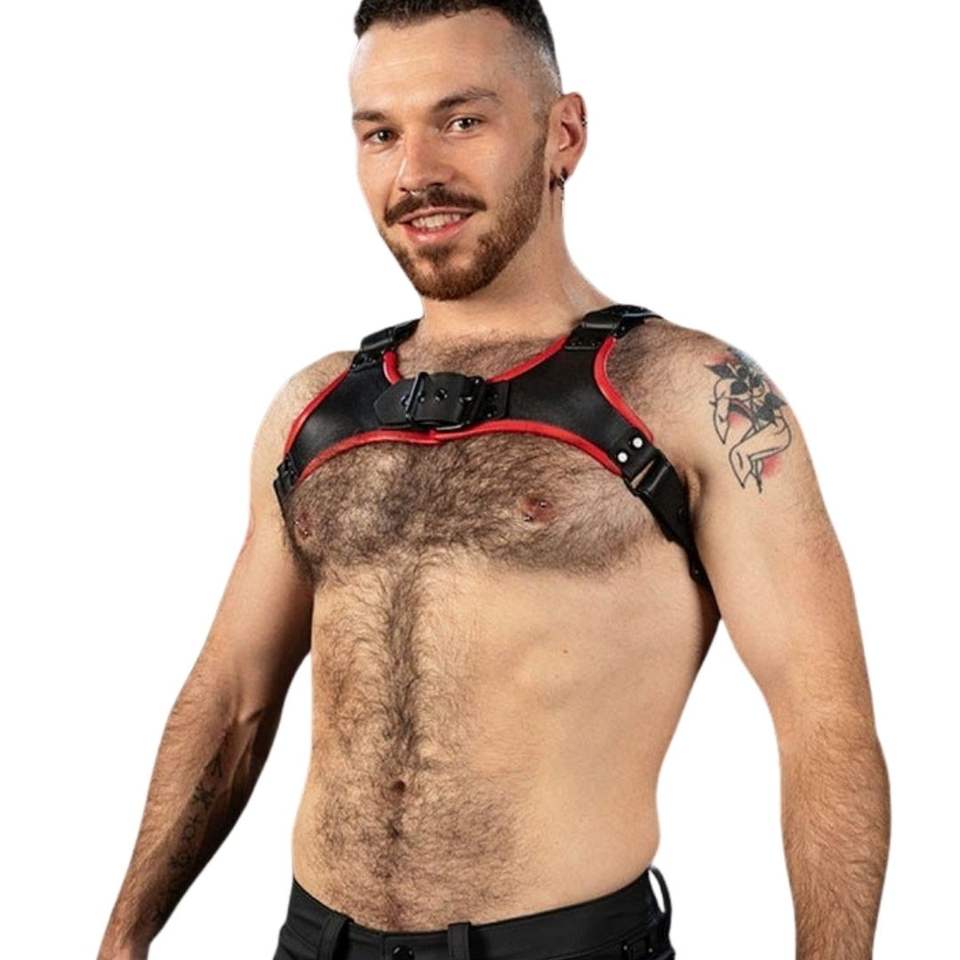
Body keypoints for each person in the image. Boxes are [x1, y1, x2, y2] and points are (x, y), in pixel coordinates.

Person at [97, 3, 890, 958]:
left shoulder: (691, 395)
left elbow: (824, 724)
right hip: (315, 943)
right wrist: (123, 938)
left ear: (564, 134)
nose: (415, 171)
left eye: (462, 119)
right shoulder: (317, 408)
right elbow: (231, 698)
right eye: (380, 134)